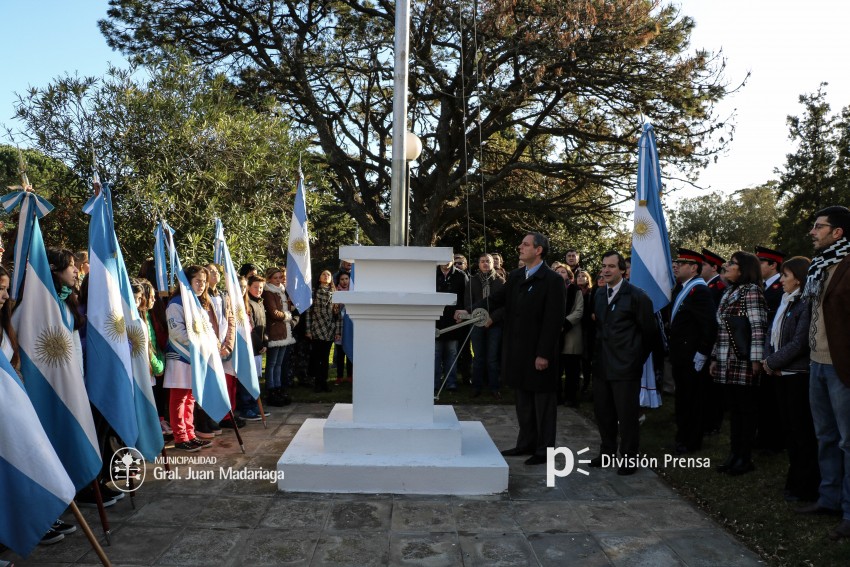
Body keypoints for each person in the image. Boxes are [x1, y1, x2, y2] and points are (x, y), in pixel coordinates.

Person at [456, 232, 566, 466]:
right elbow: (494, 301)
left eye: (525, 245)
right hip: (517, 351)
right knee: (523, 401)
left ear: (538, 250)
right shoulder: (516, 277)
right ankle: (525, 443)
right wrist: (470, 311)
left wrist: (544, 353)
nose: (520, 247)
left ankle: (544, 449)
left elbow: (553, 320)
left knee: (543, 404)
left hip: (539, 353)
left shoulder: (552, 280)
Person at [796, 206, 850, 541]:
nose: (813, 232)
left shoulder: (848, 265)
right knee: (826, 437)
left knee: (848, 442)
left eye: (819, 227)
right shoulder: (818, 267)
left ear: (838, 233)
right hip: (816, 363)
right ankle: (828, 500)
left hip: (842, 368)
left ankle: (848, 512)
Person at [589, 251, 656, 475]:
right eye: (604, 266)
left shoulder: (638, 296)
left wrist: (634, 358)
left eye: (611, 266)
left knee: (627, 416)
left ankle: (628, 458)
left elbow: (649, 334)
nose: (606, 270)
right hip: (601, 366)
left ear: (623, 271)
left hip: (626, 368)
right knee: (603, 413)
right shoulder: (598, 295)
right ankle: (607, 452)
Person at [761, 255, 819, 503]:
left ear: (798, 278)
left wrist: (773, 362)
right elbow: (771, 335)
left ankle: (805, 485)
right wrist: (768, 359)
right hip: (779, 373)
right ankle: (794, 479)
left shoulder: (805, 303)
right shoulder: (786, 301)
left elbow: (800, 342)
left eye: (785, 276)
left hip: (796, 375)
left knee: (800, 431)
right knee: (789, 430)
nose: (781, 280)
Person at [710, 251, 768, 476]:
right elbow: (722, 330)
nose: (727, 265)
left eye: (732, 263)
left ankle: (744, 458)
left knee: (746, 410)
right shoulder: (730, 291)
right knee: (735, 411)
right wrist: (714, 357)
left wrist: (755, 361)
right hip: (726, 360)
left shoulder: (752, 292)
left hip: (743, 361)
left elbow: (758, 328)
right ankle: (734, 455)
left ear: (743, 269)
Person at [669, 249, 717, 455]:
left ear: (694, 268)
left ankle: (690, 441)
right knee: (683, 397)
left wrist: (702, 352)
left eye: (682, 262)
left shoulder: (700, 291)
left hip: (691, 356)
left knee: (692, 399)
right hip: (680, 354)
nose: (677, 265)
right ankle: (682, 436)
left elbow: (709, 325)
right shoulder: (684, 288)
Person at [164, 265, 215, 451]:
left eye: (204, 282)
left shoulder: (198, 303)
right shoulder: (176, 303)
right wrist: (200, 344)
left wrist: (212, 343)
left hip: (196, 356)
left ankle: (191, 434)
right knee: (179, 397)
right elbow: (177, 331)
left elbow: (206, 328)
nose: (202, 285)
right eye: (198, 281)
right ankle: (180, 436)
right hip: (181, 356)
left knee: (191, 397)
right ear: (187, 282)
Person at [467, 253, 505, 399]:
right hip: (476, 323)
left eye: (488, 261)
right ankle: (476, 387)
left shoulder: (500, 281)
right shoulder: (472, 281)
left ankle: (494, 387)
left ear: (492, 263)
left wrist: (493, 318)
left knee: (492, 357)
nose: (485, 264)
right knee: (478, 357)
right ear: (478, 264)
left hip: (494, 323)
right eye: (482, 261)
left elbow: (504, 304)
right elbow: (467, 303)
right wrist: (475, 316)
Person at [262, 266, 297, 404]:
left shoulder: (281, 291)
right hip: (275, 331)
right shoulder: (269, 292)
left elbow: (284, 309)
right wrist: (288, 315)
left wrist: (290, 308)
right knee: (272, 363)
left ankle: (278, 388)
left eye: (280, 277)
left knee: (279, 364)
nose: (278, 280)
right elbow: (274, 313)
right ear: (269, 279)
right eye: (275, 278)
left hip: (284, 331)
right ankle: (271, 390)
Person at [435, 256, 469, 392]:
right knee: (436, 353)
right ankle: (435, 384)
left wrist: (464, 313)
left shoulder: (461, 276)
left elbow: (466, 297)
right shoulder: (432, 274)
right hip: (436, 320)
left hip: (454, 321)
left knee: (452, 353)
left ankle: (451, 383)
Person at [554, 263, 584, 407]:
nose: (560, 274)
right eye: (557, 272)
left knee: (572, 371)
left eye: (563, 272)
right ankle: (557, 397)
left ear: (569, 275)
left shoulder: (575, 290)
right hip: (554, 335)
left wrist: (563, 324)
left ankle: (571, 398)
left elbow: (579, 311)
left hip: (571, 334)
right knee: (556, 370)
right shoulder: (551, 290)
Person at [306, 270, 340, 392]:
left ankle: (323, 382)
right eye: (323, 274)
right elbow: (309, 313)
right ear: (319, 277)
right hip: (316, 328)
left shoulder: (335, 294)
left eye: (328, 275)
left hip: (330, 329)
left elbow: (338, 316)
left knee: (325, 358)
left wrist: (337, 332)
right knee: (316, 357)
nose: (326, 276)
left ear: (331, 279)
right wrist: (308, 330)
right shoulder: (313, 293)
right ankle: (316, 382)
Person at [239, 274, 268, 419]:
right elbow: (251, 327)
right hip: (250, 345)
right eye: (255, 287)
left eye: (261, 287)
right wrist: (259, 343)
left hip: (257, 345)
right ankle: (246, 407)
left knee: (255, 377)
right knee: (247, 378)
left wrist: (265, 341)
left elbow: (262, 325)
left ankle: (254, 405)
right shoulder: (247, 303)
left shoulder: (259, 302)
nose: (258, 290)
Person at [575, 269, 595, 395]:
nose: (581, 278)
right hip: (576, 328)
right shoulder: (573, 291)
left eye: (584, 276)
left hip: (588, 329)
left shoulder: (591, 293)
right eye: (579, 276)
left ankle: (587, 384)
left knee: (587, 358)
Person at [333, 271, 353, 383]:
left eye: (346, 279)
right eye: (342, 279)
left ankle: (350, 375)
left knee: (350, 349)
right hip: (339, 327)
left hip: (350, 327)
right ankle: (339, 376)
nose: (344, 281)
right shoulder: (336, 292)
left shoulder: (353, 292)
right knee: (340, 353)